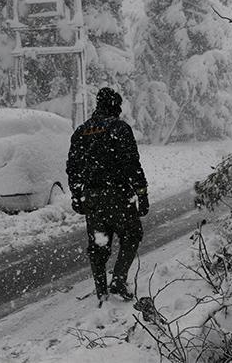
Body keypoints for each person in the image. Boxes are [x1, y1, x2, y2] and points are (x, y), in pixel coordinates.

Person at [67, 87, 149, 305]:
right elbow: (132, 164)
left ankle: (101, 290)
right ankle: (119, 280)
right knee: (131, 235)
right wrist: (142, 193)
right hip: (119, 195)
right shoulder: (120, 129)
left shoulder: (81, 132)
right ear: (115, 106)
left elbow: (72, 168)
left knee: (98, 245)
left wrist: (77, 195)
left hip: (92, 198)